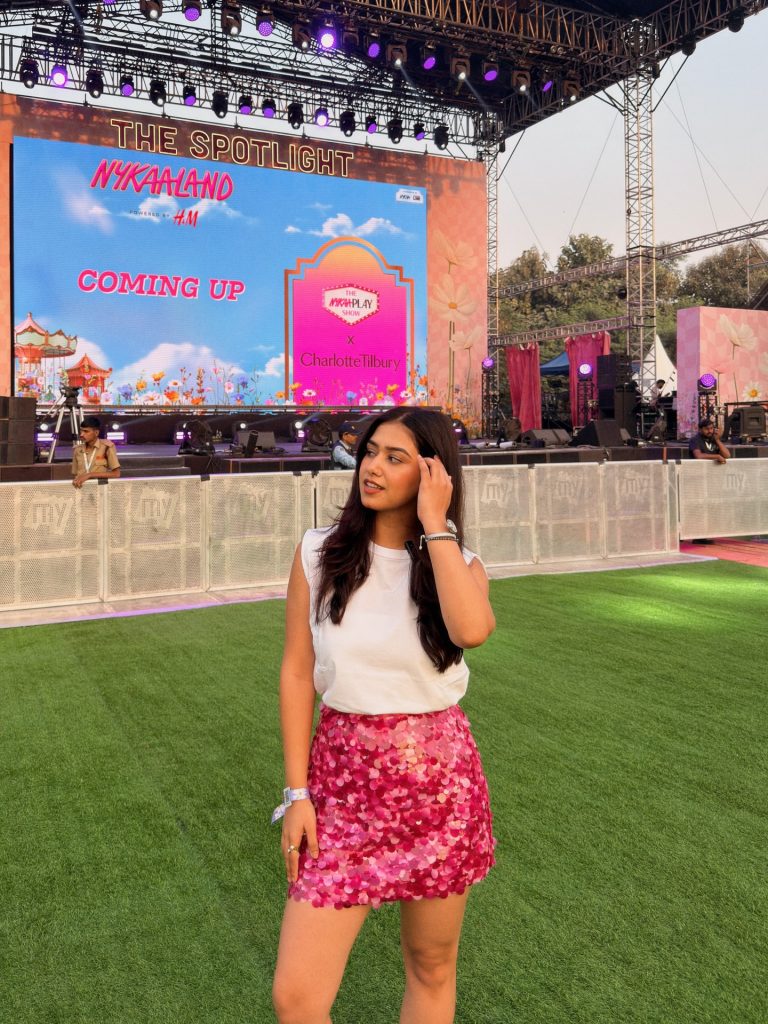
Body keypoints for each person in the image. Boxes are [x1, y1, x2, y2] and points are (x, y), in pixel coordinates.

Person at [272, 407, 496, 1024]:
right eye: (370, 451)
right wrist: (297, 793)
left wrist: (435, 525)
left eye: (395, 457)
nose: (371, 466)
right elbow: (296, 671)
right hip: (341, 784)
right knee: (296, 997)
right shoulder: (318, 554)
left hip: (438, 785)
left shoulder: (459, 564)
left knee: (431, 967)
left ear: (433, 474)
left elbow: (472, 630)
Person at [71, 416, 121, 488]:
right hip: (81, 490)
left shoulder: (106, 447)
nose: (81, 434)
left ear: (96, 433)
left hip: (100, 490)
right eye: (81, 431)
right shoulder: (77, 449)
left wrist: (90, 475)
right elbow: (75, 474)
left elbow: (116, 474)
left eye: (86, 431)